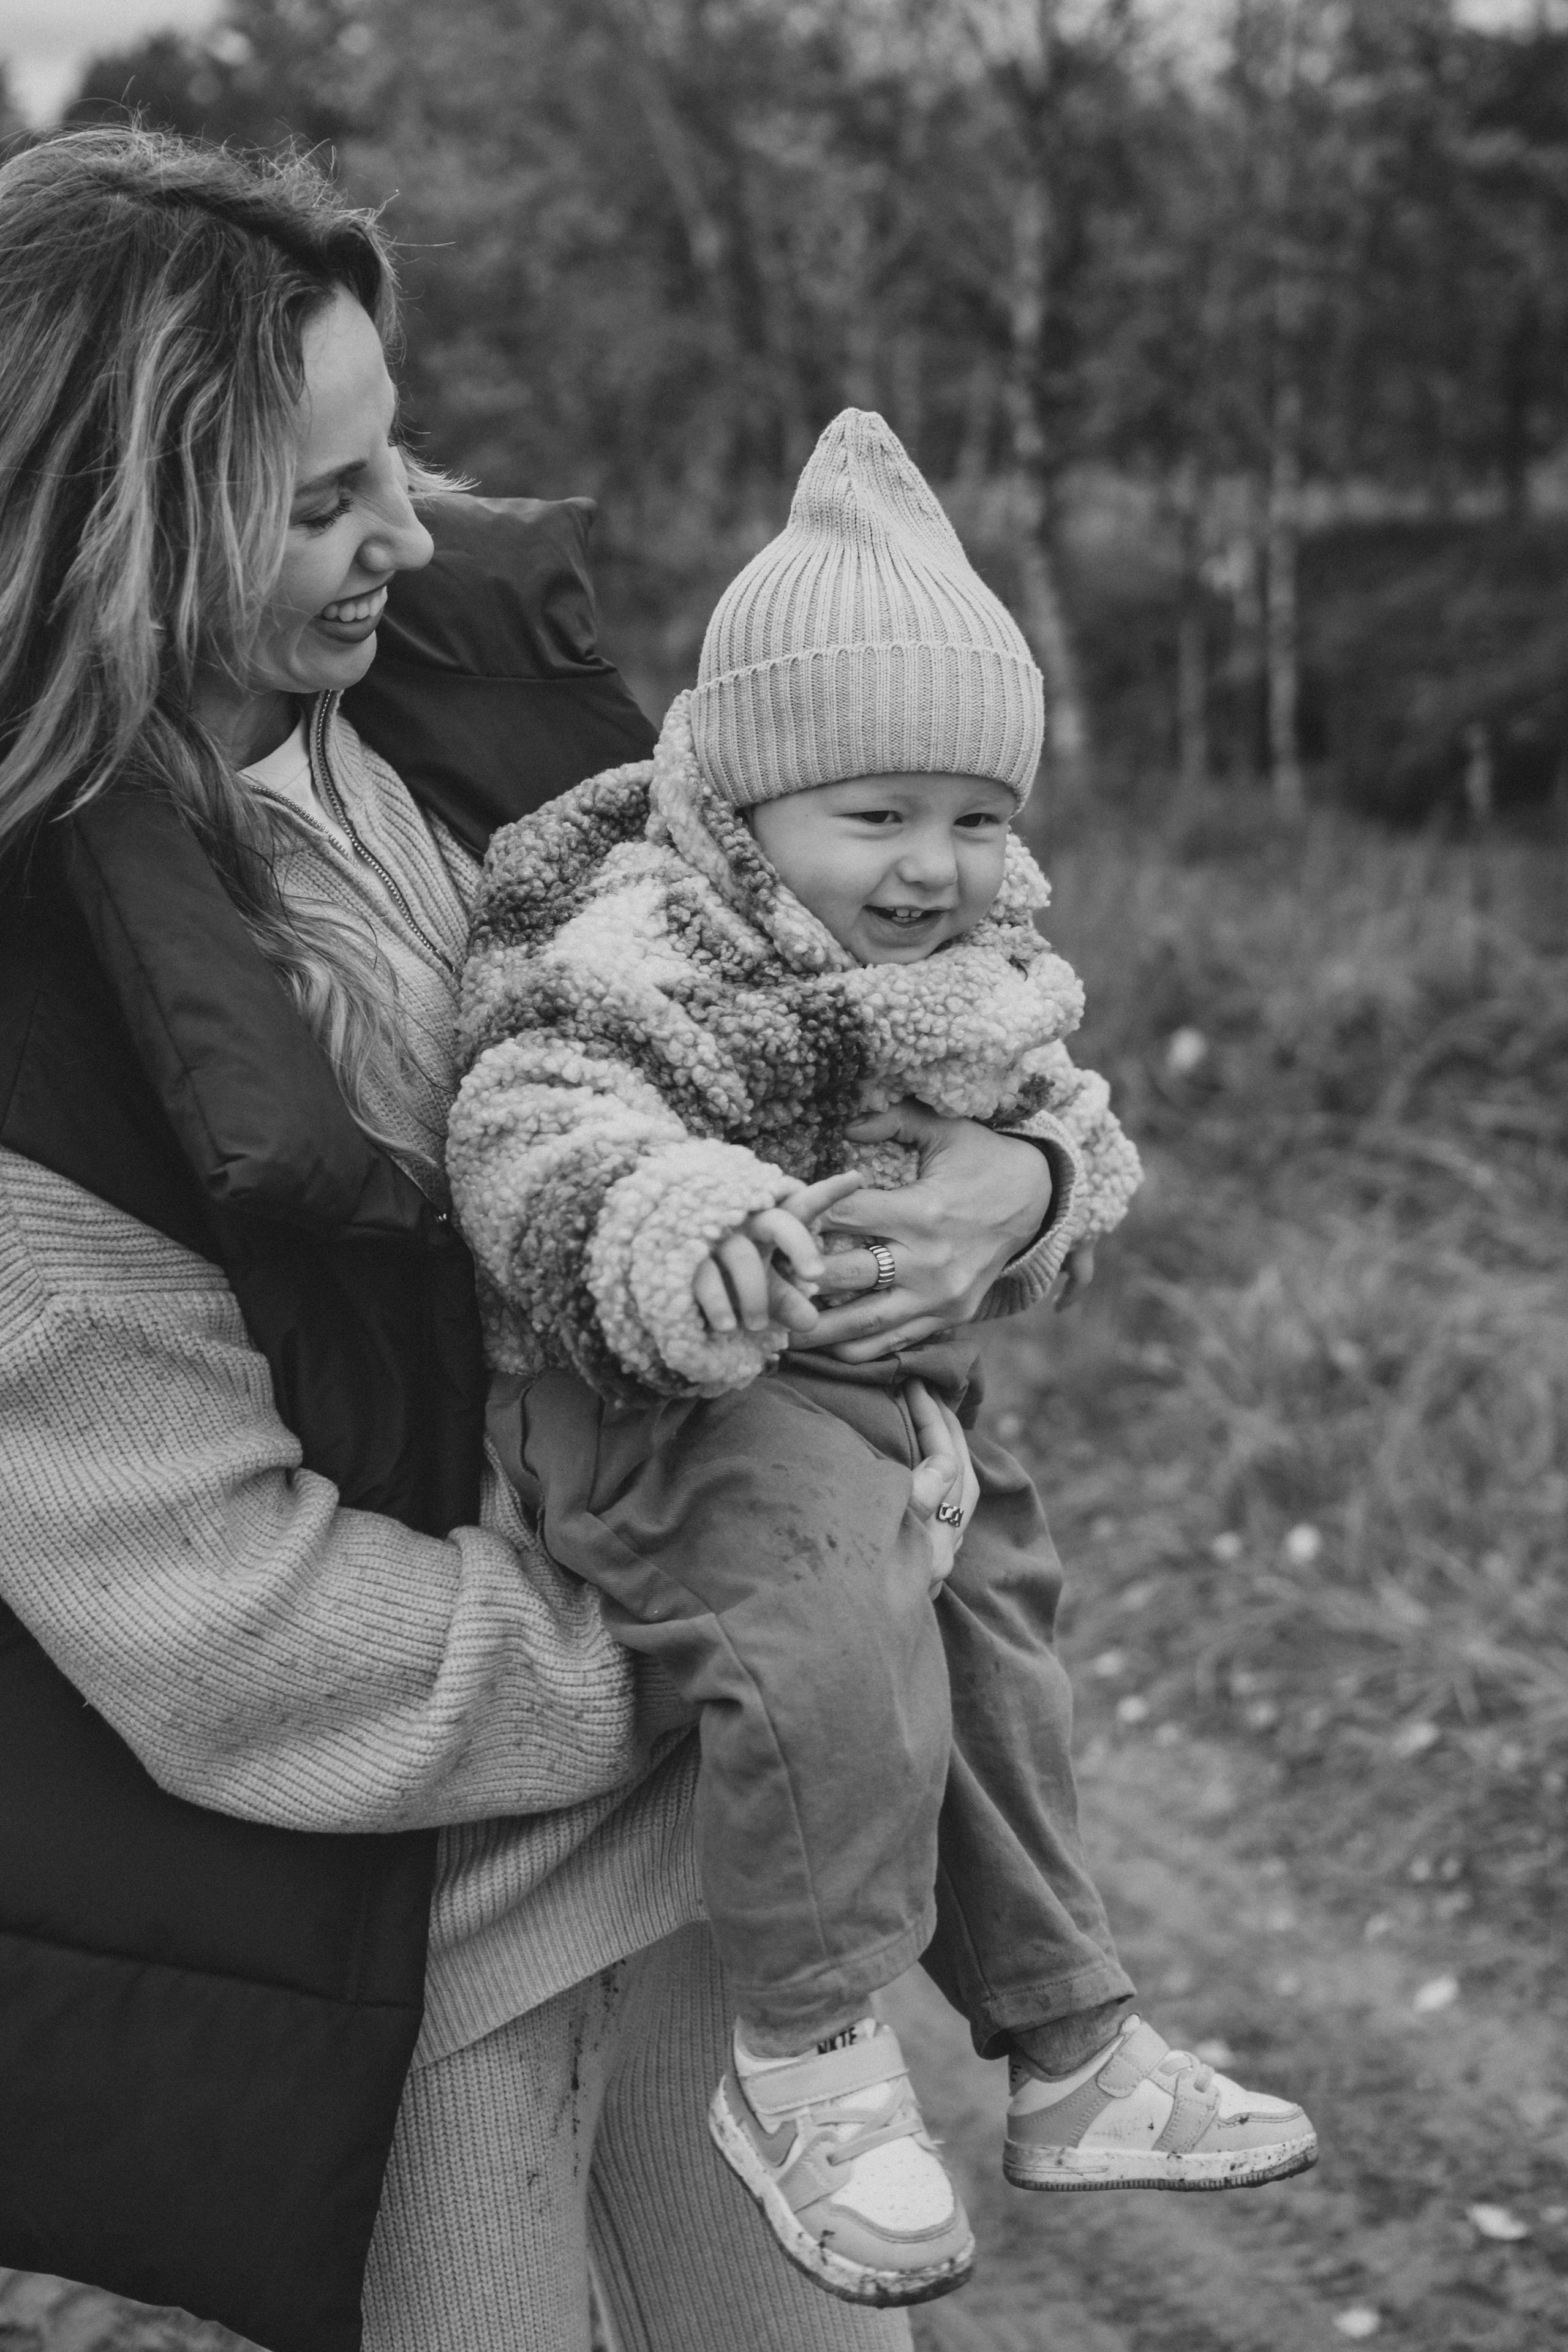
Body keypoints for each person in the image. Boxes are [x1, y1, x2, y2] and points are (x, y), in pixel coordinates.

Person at [0, 130, 1082, 2352]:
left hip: (723, 1897)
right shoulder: (30, 1036)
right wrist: (761, 1633)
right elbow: (237, 1634)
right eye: (318, 501)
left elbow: (863, 1057)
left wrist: (1021, 1194)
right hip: (427, 1977)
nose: (402, 531)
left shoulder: (490, 746)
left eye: (396, 457)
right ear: (106, 532)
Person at [448, 409, 1319, 2312]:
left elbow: (1069, 1126)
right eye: (881, 817)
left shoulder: (967, 967)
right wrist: (679, 1220)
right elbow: (535, 1118)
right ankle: (814, 2059)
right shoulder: (647, 944)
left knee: (996, 1621)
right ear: (743, 807)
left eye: (979, 815)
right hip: (664, 1407)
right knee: (829, 1640)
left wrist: (1034, 1179)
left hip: (879, 1406)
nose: (939, 866)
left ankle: (1071, 2039)